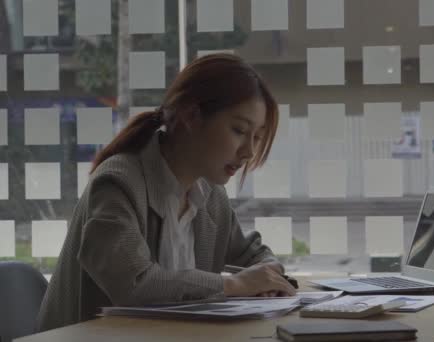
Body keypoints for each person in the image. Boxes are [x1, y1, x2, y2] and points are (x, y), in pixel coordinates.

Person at [37, 54, 296, 332]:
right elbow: (133, 284)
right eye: (239, 130)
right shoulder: (118, 182)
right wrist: (234, 285)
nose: (248, 152)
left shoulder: (209, 194)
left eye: (256, 137)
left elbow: (254, 255)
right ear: (191, 116)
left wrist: (270, 277)